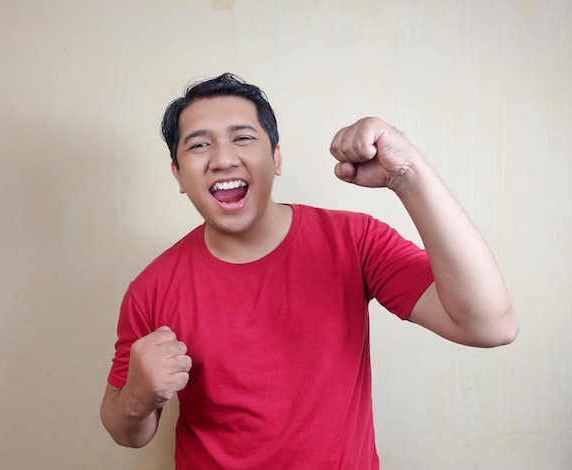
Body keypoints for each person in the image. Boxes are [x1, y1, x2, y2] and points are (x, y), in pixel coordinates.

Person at [100, 73, 518, 469]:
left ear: (276, 158)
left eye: (242, 138)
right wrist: (139, 395)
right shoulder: (151, 288)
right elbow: (126, 432)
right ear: (178, 174)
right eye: (198, 146)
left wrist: (408, 175)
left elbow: (490, 326)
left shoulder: (354, 240)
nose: (223, 159)